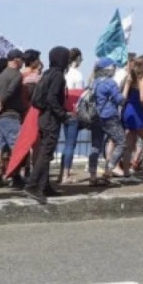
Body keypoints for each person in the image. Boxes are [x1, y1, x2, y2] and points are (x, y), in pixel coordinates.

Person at [25, 45, 69, 204]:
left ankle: (44, 186)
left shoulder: (47, 73)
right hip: (51, 119)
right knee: (45, 153)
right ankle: (32, 185)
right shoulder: (58, 75)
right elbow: (52, 98)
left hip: (43, 117)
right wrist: (63, 116)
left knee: (46, 152)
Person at [0, 48, 25, 188]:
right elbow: (10, 91)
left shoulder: (2, 75)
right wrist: (1, 104)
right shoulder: (17, 75)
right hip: (11, 115)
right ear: (16, 60)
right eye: (21, 59)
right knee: (15, 146)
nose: (22, 62)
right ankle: (16, 177)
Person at [91, 58, 126, 183]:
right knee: (121, 142)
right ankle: (109, 170)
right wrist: (125, 88)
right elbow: (120, 100)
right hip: (109, 116)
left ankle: (93, 175)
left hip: (95, 117)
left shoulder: (93, 82)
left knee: (95, 146)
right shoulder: (110, 83)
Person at [58, 48, 84, 186]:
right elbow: (79, 96)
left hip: (63, 112)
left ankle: (62, 173)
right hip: (73, 113)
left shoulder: (64, 73)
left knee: (66, 144)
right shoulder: (78, 75)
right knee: (70, 144)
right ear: (77, 58)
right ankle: (66, 175)